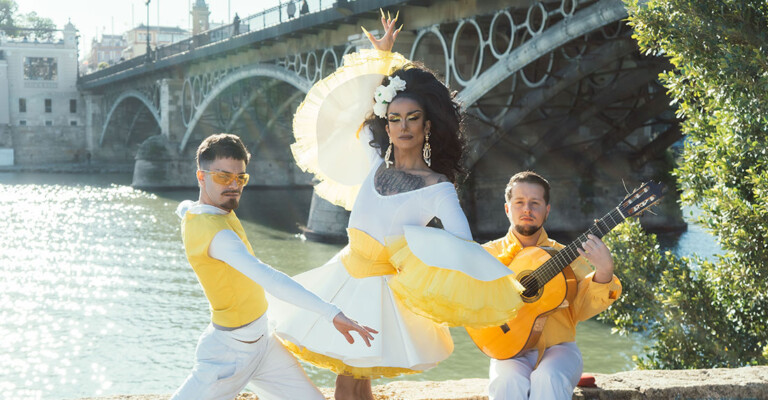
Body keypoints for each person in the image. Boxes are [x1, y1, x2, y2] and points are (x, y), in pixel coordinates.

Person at [268, 12, 524, 400]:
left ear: (426, 126)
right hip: (343, 276)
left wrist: (502, 278)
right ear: (386, 126)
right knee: (353, 377)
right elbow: (352, 105)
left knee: (350, 378)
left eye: (412, 119)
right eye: (395, 119)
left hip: (380, 290)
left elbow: (463, 246)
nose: (403, 126)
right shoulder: (375, 159)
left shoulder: (438, 188)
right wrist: (385, 59)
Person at [171, 133, 377, 400]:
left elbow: (186, 207)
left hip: (264, 345)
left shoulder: (201, 211)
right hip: (227, 356)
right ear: (201, 177)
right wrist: (332, 313)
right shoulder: (218, 237)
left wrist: (184, 208)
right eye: (223, 177)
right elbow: (269, 278)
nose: (233, 185)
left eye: (240, 178)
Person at [482, 171, 622, 400]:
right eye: (519, 202)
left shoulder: (566, 257)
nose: (527, 209)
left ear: (547, 210)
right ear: (507, 208)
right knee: (507, 381)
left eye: (535, 203)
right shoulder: (487, 255)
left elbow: (582, 309)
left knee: (547, 377)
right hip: (506, 349)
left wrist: (604, 273)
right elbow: (466, 300)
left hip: (559, 349)